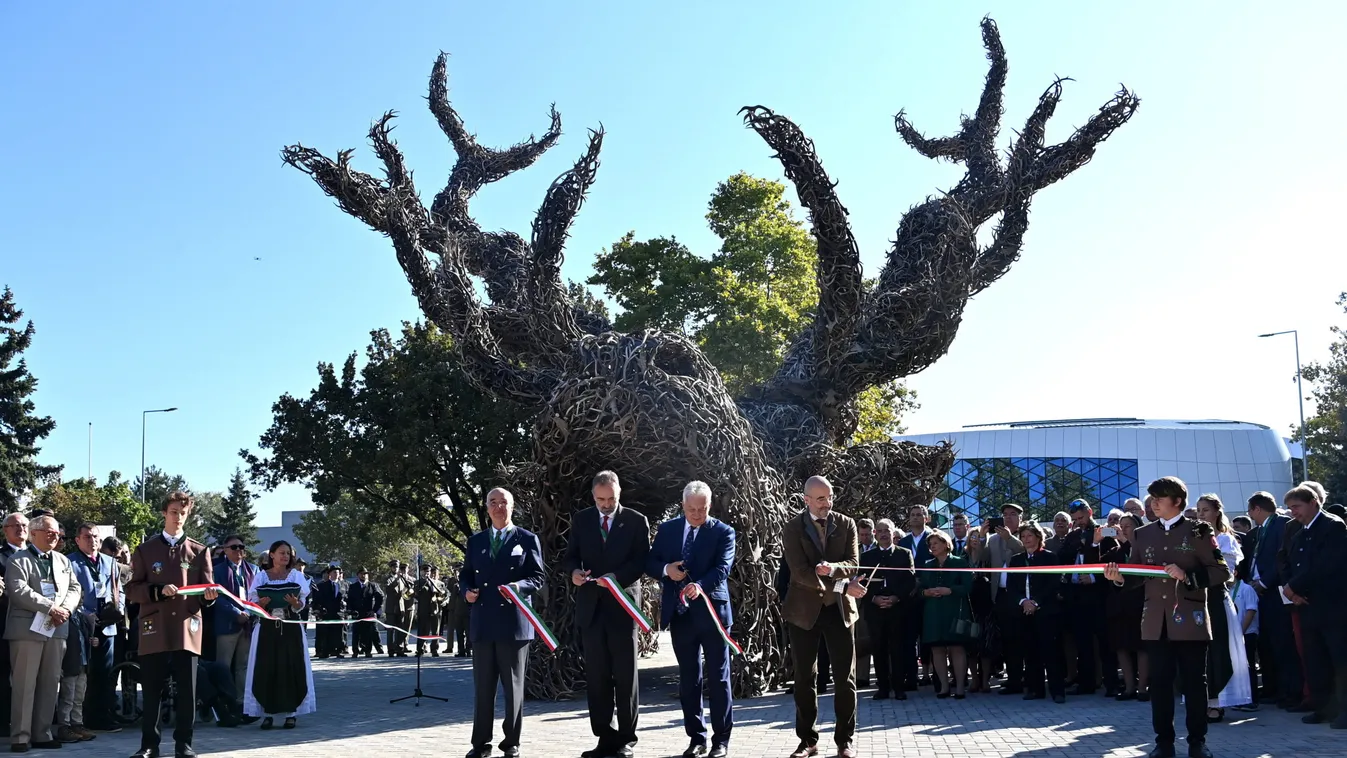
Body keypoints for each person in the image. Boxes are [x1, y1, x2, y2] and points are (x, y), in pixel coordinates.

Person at [1105, 477, 1228, 758]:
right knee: (1159, 684)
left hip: (1190, 619)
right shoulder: (1144, 533)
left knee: (1194, 683)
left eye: (1159, 498)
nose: (1153, 503)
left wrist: (1188, 576)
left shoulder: (1198, 530)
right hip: (1155, 621)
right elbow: (1137, 575)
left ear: (1178, 501)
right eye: (1151, 498)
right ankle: (1164, 742)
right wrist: (1120, 578)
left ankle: (1197, 742)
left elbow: (1222, 571)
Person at [562, 470, 651, 758]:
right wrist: (574, 572)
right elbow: (571, 555)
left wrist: (617, 577)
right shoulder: (582, 519)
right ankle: (604, 736)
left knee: (625, 677)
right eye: (601, 499)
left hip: (623, 608)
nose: (606, 504)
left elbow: (642, 561)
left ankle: (626, 738)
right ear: (593, 496)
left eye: (611, 499)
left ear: (619, 493)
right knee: (597, 677)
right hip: (591, 608)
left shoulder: (636, 521)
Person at [646, 481, 736, 758]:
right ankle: (697, 738)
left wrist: (700, 586)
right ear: (682, 505)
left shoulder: (723, 532)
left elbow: (723, 568)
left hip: (712, 614)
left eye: (702, 509)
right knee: (688, 679)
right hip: (681, 615)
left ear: (710, 506)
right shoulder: (668, 529)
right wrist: (666, 570)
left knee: (719, 678)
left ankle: (721, 740)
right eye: (691, 509)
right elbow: (650, 561)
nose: (696, 514)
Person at [126, 491, 218, 758]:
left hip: (186, 629)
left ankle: (184, 745)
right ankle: (148, 746)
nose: (178, 517)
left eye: (183, 512)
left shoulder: (200, 551)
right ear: (164, 513)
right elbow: (132, 589)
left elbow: (206, 590)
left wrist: (209, 598)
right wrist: (156, 591)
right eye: (174, 512)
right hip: (155, 628)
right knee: (152, 690)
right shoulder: (145, 549)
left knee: (187, 692)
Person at [782, 475, 864, 758]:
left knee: (846, 678)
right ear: (806, 500)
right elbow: (800, 573)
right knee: (805, 678)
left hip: (840, 611)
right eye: (820, 499)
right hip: (804, 612)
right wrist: (842, 583)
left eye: (829, 497)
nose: (826, 503)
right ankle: (807, 741)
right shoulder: (792, 528)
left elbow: (853, 564)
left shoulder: (847, 524)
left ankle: (845, 741)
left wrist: (833, 569)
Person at [460, 487, 545, 758]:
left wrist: (517, 586)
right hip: (483, 623)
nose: (498, 507)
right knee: (483, 689)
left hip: (514, 623)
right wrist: (466, 592)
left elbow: (537, 577)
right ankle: (480, 743)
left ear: (512, 506)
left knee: (513, 689)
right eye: (493, 502)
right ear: (486, 508)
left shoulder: (527, 538)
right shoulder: (476, 541)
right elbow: (465, 577)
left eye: (503, 502)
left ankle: (511, 743)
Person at [5, 514, 81, 752]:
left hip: (56, 628)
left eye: (57, 533)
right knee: (24, 684)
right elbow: (17, 590)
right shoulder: (17, 560)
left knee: (50, 683)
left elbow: (74, 587)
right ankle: (20, 736)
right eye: (49, 531)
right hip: (27, 629)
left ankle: (42, 733)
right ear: (34, 532)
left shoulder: (62, 560)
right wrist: (50, 607)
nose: (54, 536)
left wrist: (66, 609)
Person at [1279, 483, 1347, 729]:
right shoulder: (1298, 533)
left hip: (1332, 607)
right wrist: (1291, 590)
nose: (1292, 512)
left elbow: (1327, 565)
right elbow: (1286, 561)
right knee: (1315, 660)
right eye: (1290, 508)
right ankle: (1323, 707)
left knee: (1339, 660)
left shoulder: (1333, 526)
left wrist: (1295, 586)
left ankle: (1344, 710)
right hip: (1307, 607)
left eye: (1296, 506)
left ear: (1313, 502)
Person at [244, 540, 315, 730]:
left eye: (288, 553)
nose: (285, 556)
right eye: (281, 553)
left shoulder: (296, 576)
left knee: (291, 667)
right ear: (272, 555)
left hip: (290, 628)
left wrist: (294, 602)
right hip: (267, 629)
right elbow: (253, 604)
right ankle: (267, 713)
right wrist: (263, 603)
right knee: (267, 667)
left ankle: (291, 713)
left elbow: (301, 605)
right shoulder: (261, 577)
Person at [1193, 494, 1251, 721]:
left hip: (1215, 598)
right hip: (1195, 598)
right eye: (1198, 510)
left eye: (1205, 510)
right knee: (1197, 652)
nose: (1200, 514)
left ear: (1217, 512)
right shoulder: (1192, 538)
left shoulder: (1225, 540)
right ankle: (1200, 699)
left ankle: (1217, 701)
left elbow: (1225, 575)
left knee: (1218, 650)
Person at [1059, 498, 1119, 697]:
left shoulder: (1105, 531)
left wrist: (1094, 577)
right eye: (1075, 519)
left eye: (1082, 517)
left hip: (1099, 595)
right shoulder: (1072, 535)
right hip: (1077, 596)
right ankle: (1086, 683)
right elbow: (1063, 558)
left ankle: (1111, 684)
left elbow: (1113, 559)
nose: (1079, 522)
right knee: (1082, 643)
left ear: (1090, 512)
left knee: (1105, 642)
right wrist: (1078, 542)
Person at [1243, 491, 1299, 707]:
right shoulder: (1258, 532)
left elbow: (1282, 558)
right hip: (1258, 593)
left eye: (1250, 510)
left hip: (1275, 592)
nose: (1249, 515)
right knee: (1264, 643)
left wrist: (1264, 582)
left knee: (1282, 642)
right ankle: (1270, 687)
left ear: (1257, 508)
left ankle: (1290, 691)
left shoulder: (1283, 524)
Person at [67, 522, 123, 734]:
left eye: (96, 537)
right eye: (88, 537)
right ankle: (81, 717)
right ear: (78, 540)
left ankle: (102, 714)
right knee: (82, 673)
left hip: (107, 625)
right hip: (82, 624)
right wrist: (84, 616)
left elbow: (120, 590)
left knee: (105, 672)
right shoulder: (70, 562)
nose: (93, 541)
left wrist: (118, 610)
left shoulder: (109, 562)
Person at [859, 518, 915, 701]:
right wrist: (873, 598)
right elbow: (860, 583)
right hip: (874, 610)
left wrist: (895, 597)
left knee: (897, 648)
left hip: (897, 609)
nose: (884, 534)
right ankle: (883, 687)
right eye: (880, 531)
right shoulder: (866, 557)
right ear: (876, 533)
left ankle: (899, 687)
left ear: (893, 533)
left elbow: (910, 581)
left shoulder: (904, 554)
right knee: (878, 648)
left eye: (887, 531)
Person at [1009, 522, 1066, 703]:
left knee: (1051, 652)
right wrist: (1023, 602)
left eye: (1029, 536)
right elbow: (1011, 586)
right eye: (1023, 537)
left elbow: (1053, 583)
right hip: (1024, 612)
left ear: (1038, 537)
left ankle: (1057, 691)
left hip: (1046, 611)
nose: (1026, 540)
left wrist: (1035, 602)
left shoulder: (1050, 557)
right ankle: (1035, 689)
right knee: (1030, 651)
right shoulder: (1016, 560)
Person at [919, 530, 973, 699]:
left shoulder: (960, 563)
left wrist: (950, 590)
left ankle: (959, 687)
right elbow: (919, 588)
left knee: (957, 648)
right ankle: (943, 686)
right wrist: (926, 592)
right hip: (933, 613)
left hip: (954, 610)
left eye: (936, 543)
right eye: (930, 544)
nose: (932, 546)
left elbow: (968, 587)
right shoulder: (927, 565)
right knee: (937, 649)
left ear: (945, 544)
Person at [1103, 514, 1148, 701]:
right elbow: (1100, 567)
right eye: (1121, 526)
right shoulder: (1115, 550)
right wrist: (1096, 541)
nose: (1124, 529)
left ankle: (1143, 688)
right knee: (1121, 646)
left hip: (1141, 603)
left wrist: (1126, 542)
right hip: (1119, 605)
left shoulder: (1145, 548)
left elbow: (1140, 569)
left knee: (1142, 647)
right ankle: (1129, 687)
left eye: (1128, 526)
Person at [987, 503, 1026, 695]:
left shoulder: (1027, 534)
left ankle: (1026, 677)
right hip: (1000, 595)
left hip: (1021, 595)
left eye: (1012, 514)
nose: (1007, 518)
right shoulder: (993, 539)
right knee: (1008, 641)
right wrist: (979, 537)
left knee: (1023, 639)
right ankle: (1013, 679)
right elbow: (980, 558)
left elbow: (1025, 552)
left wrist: (1009, 538)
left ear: (1021, 518)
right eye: (1004, 515)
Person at [1, 512, 30, 736]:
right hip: (5, 622)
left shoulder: (38, 556)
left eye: (24, 525)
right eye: (15, 525)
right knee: (4, 675)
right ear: (5, 530)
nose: (20, 528)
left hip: (34, 625)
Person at [962, 529, 995, 693]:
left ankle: (985, 680)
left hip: (984, 606)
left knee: (985, 646)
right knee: (970, 647)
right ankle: (974, 678)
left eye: (978, 537)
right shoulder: (963, 558)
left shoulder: (986, 557)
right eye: (972, 536)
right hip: (968, 607)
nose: (974, 540)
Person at [347, 569, 384, 658]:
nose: (363, 576)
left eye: (365, 574)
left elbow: (380, 597)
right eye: (361, 574)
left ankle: (368, 651)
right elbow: (349, 600)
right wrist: (351, 611)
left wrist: (374, 610)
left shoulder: (372, 585)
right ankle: (355, 651)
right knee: (356, 633)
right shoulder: (353, 586)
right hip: (357, 613)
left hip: (368, 613)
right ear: (358, 575)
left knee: (368, 633)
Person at [312, 567, 346, 659]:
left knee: (339, 633)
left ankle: (339, 650)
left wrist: (346, 608)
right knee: (325, 632)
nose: (337, 574)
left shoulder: (343, 585)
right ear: (329, 574)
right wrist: (318, 610)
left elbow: (347, 598)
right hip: (326, 612)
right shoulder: (322, 586)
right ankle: (325, 651)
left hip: (339, 613)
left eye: (338, 572)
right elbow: (317, 599)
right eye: (334, 572)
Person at [415, 564, 447, 657]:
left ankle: (434, 649)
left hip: (435, 610)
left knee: (435, 631)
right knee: (422, 631)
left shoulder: (439, 583)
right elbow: (416, 594)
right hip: (423, 610)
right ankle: (420, 649)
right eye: (424, 571)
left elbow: (444, 594)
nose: (426, 573)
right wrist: (425, 582)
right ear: (421, 572)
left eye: (428, 571)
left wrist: (442, 600)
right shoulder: (418, 583)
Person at [385, 560, 415, 657]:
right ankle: (390, 650)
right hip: (391, 608)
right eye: (394, 567)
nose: (396, 569)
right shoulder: (388, 578)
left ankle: (400, 649)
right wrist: (396, 580)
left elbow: (407, 590)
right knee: (390, 630)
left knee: (400, 629)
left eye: (397, 567)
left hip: (400, 607)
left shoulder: (402, 578)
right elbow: (388, 589)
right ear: (391, 568)